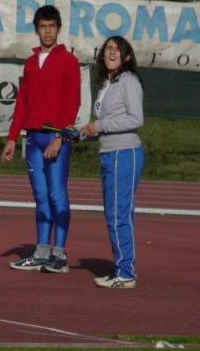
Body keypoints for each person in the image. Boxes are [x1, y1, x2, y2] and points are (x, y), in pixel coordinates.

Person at [1, 5, 81, 274]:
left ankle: (59, 255)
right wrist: (12, 138)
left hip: (56, 138)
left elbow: (72, 103)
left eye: (52, 26)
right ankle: (41, 252)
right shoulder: (30, 63)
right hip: (33, 138)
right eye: (43, 27)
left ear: (58, 29)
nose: (47, 31)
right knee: (41, 196)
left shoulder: (68, 61)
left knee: (58, 195)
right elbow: (22, 103)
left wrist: (60, 136)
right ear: (37, 30)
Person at [80, 36, 144, 289]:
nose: (112, 52)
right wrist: (82, 133)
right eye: (108, 48)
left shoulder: (129, 81)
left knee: (119, 214)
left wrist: (100, 125)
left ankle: (126, 272)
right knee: (113, 214)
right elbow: (103, 125)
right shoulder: (107, 83)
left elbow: (136, 119)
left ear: (127, 56)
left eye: (117, 49)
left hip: (124, 153)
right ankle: (120, 267)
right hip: (109, 153)